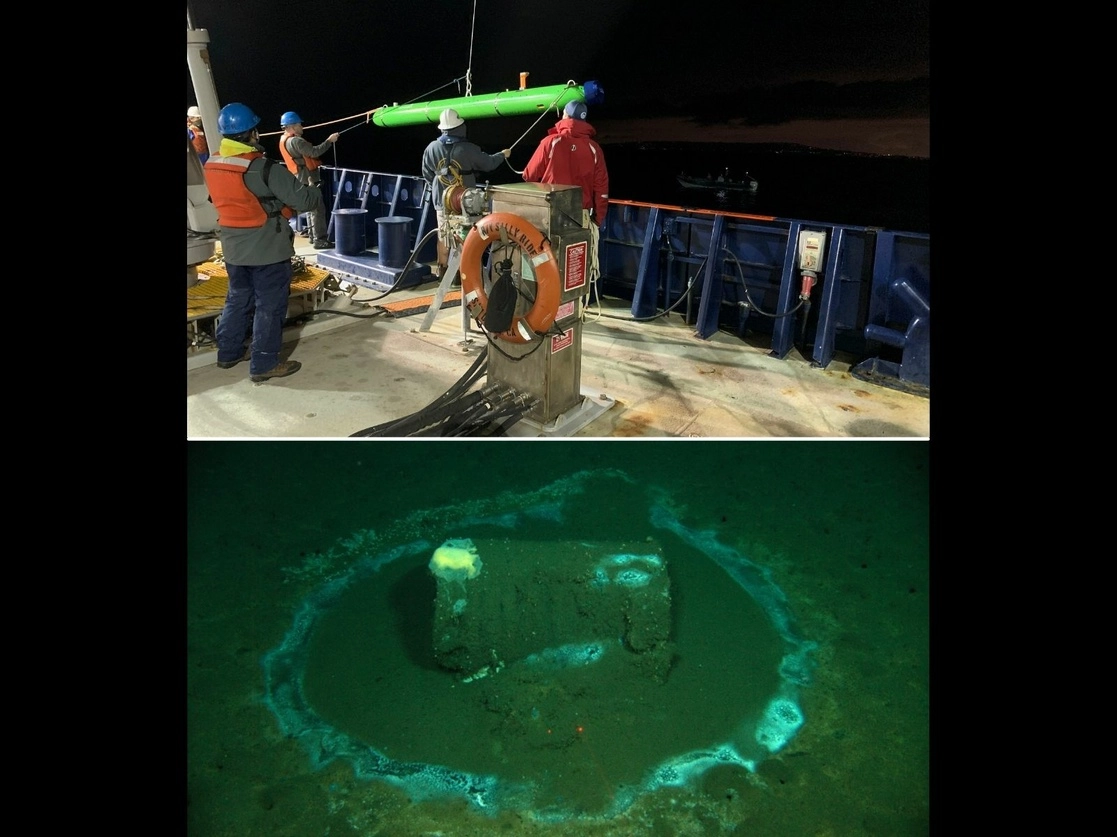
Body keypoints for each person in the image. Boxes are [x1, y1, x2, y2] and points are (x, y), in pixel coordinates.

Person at [203, 103, 325, 382]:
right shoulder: (263, 168)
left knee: (237, 299)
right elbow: (303, 202)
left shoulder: (212, 163)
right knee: (270, 306)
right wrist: (314, 191)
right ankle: (264, 364)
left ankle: (228, 353)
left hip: (234, 248)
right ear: (252, 133)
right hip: (268, 249)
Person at [522, 99, 609, 288]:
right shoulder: (595, 149)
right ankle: (573, 308)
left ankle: (545, 306)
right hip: (581, 217)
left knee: (546, 264)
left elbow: (529, 175)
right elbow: (601, 190)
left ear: (565, 116)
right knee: (575, 268)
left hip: (549, 215)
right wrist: (598, 219)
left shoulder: (550, 142)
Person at [421, 108, 511, 277]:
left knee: (443, 235)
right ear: (459, 127)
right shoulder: (469, 149)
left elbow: (427, 174)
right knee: (467, 239)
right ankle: (467, 277)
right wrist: (502, 155)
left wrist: (439, 189)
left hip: (442, 202)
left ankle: (443, 272)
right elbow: (489, 164)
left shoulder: (431, 148)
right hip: (467, 204)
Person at [277, 111, 340, 249]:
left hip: (298, 177)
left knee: (311, 208)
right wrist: (329, 141)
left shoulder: (285, 140)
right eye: (299, 124)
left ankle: (313, 237)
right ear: (292, 126)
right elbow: (315, 152)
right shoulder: (297, 141)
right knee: (318, 209)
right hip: (308, 178)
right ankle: (320, 240)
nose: (302, 127)